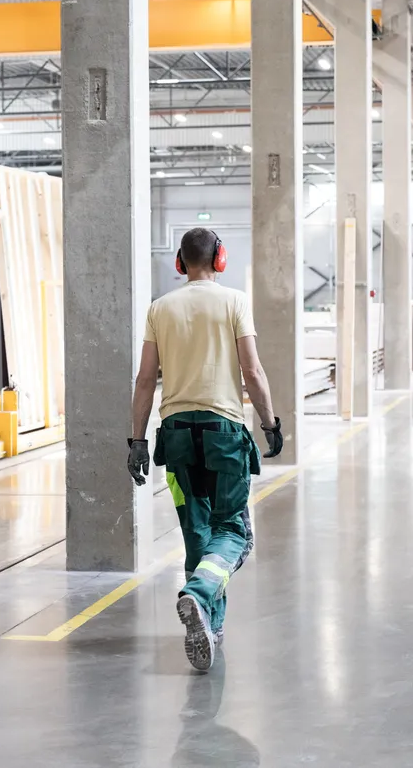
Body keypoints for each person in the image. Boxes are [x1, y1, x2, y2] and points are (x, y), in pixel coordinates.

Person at [127, 228, 284, 672]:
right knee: (233, 533)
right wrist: (270, 423)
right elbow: (251, 371)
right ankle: (197, 596)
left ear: (180, 262)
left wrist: (137, 440)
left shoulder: (160, 308)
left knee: (198, 534)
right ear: (220, 259)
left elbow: (144, 381)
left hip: (176, 434)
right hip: (223, 433)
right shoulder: (233, 302)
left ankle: (210, 630)